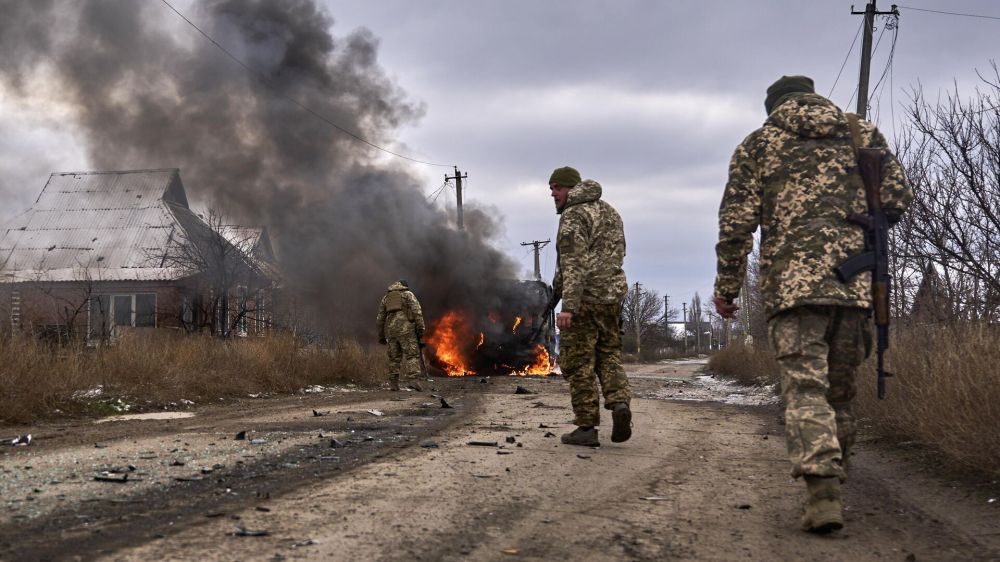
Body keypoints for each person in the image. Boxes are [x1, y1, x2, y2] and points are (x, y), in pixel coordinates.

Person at [713, 75, 912, 533]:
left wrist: (727, 288)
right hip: (855, 287)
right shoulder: (861, 133)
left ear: (773, 108)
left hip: (793, 291)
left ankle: (823, 493)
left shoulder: (758, 144)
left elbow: (736, 225)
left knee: (805, 390)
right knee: (840, 394)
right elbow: (898, 199)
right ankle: (836, 482)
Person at [549, 166, 632, 447]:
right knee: (608, 356)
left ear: (572, 188)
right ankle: (619, 403)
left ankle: (586, 427)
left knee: (578, 363)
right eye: (551, 188)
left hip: (584, 300)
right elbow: (618, 254)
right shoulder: (610, 212)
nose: (553, 193)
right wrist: (555, 292)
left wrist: (568, 306)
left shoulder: (574, 215)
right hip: (611, 300)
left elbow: (573, 264)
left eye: (558, 188)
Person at [376, 280, 426, 392]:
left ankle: (393, 384)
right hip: (406, 330)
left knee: (394, 358)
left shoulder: (386, 297)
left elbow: (380, 319)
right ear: (405, 286)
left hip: (392, 331)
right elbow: (417, 312)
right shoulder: (408, 294)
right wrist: (421, 329)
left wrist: (381, 336)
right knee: (412, 355)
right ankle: (413, 380)